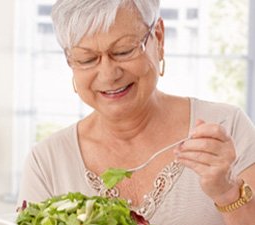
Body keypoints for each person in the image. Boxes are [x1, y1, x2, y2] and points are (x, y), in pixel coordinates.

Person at [17, 0, 255, 224]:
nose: (109, 75)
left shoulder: (227, 127)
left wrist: (227, 192)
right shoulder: (47, 161)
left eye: (123, 51)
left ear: (159, 38)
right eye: (87, 59)